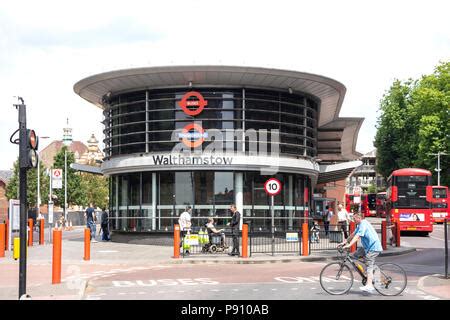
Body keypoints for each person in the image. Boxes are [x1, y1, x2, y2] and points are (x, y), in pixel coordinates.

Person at [340, 212, 383, 293]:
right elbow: (353, 234)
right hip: (366, 248)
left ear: (359, 218)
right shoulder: (359, 225)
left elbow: (358, 236)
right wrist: (344, 242)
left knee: (369, 264)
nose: (353, 220)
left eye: (354, 218)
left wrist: (349, 245)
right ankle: (370, 270)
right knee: (355, 255)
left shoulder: (363, 224)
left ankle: (369, 285)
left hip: (374, 248)